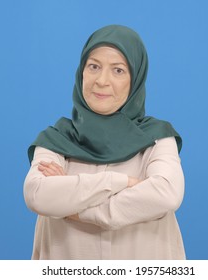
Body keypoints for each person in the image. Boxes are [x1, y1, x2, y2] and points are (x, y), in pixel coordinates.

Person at [23, 25, 185, 259]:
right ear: (82, 72)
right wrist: (123, 182)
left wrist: (74, 207)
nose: (102, 80)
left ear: (135, 78)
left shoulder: (157, 137)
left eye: (118, 70)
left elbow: (166, 194)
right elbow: (38, 194)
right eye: (94, 67)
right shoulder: (57, 138)